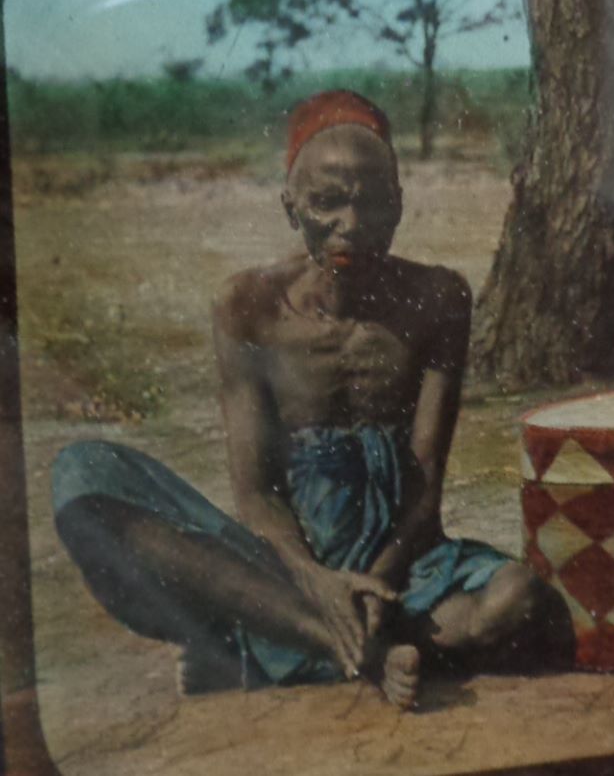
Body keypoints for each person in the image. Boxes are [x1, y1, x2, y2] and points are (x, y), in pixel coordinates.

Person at [52, 90, 573, 709]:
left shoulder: (438, 300)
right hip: (280, 565)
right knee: (82, 475)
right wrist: (317, 583)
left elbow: (426, 486)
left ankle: (272, 645)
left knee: (518, 600)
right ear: (290, 206)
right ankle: (339, 645)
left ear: (399, 207)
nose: (352, 224)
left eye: (373, 201)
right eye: (327, 202)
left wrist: (373, 585)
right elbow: (255, 492)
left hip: (403, 567)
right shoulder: (247, 305)